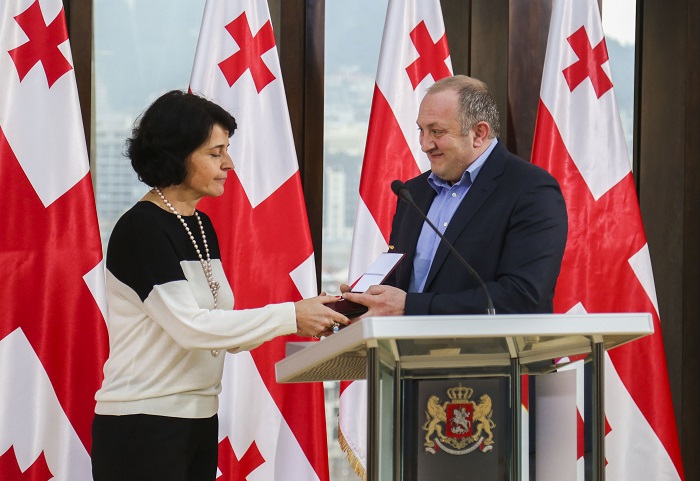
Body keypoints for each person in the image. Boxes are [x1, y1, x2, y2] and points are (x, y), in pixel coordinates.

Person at [91, 90, 348, 481]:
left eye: (226, 151)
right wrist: (291, 316)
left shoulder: (199, 224)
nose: (229, 164)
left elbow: (222, 332)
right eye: (215, 153)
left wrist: (310, 316)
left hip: (198, 421)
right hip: (142, 424)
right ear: (176, 154)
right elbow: (191, 328)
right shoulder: (141, 228)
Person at [342, 75, 568, 316]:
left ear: (479, 134)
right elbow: (400, 282)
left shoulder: (531, 190)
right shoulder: (413, 192)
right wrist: (357, 303)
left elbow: (523, 297)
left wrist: (411, 306)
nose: (425, 144)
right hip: (407, 342)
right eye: (421, 130)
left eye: (436, 131)